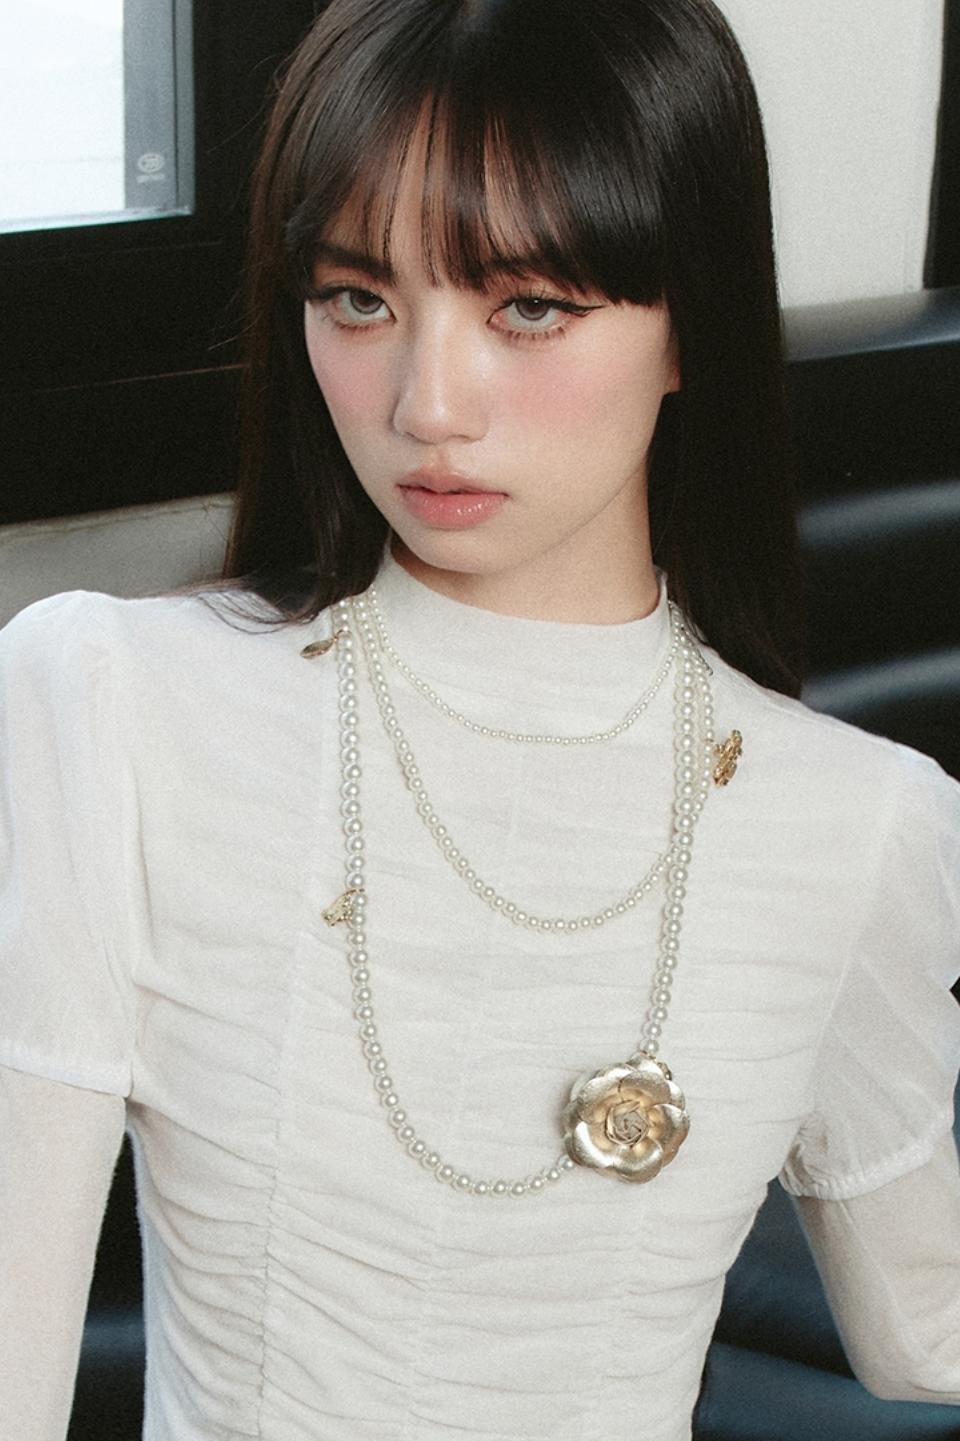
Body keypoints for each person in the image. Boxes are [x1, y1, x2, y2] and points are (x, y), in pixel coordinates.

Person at [1, 1, 958, 1438]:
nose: (427, 405)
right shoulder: (111, 700)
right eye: (358, 300)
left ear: (690, 322)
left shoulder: (861, 821)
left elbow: (923, 1331)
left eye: (528, 308)